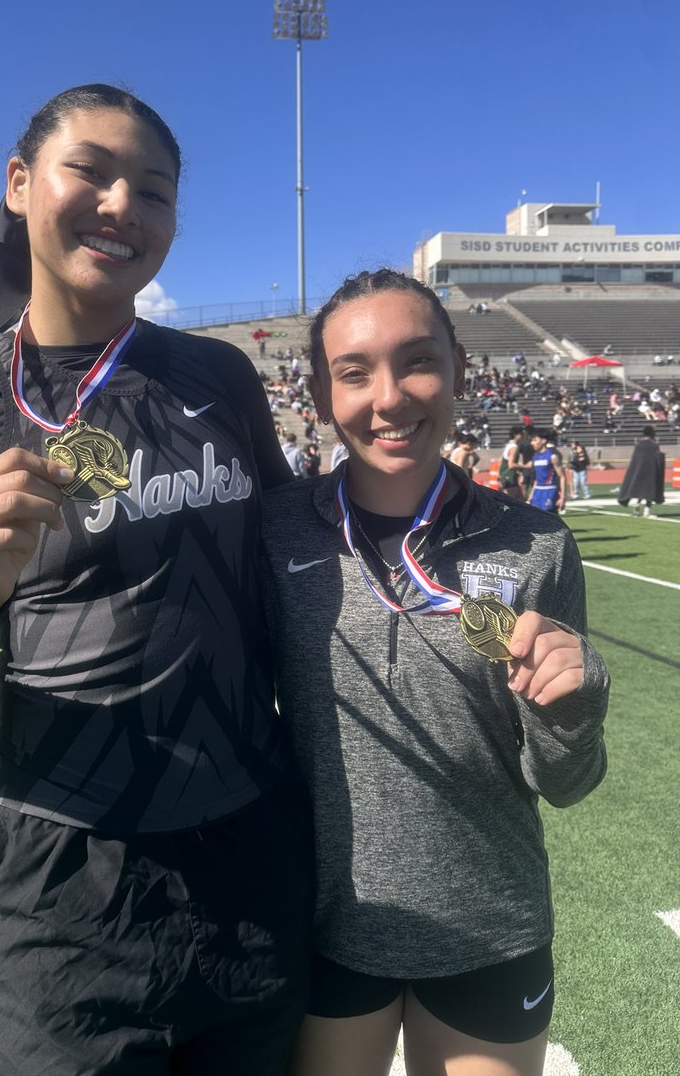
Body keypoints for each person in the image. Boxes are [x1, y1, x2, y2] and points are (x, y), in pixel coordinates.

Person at [0, 84, 313, 1076]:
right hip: (58, 898)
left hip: (251, 860)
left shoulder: (220, 379)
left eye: (154, 191)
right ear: (20, 183)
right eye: (92, 172)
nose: (122, 206)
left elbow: (296, 566)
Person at [259, 269, 609, 1076]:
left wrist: (573, 707)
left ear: (458, 368)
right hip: (324, 925)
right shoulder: (275, 532)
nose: (389, 398)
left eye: (417, 361)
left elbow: (566, 783)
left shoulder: (537, 544)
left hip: (489, 928)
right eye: (354, 372)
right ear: (322, 392)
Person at [617, 424, 665, 517]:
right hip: (651, 472)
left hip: (638, 472)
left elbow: (635, 460)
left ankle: (637, 505)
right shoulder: (654, 445)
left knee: (640, 490)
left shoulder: (638, 445)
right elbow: (657, 459)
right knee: (650, 492)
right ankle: (647, 511)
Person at [527, 430, 567, 514]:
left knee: (549, 517)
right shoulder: (535, 457)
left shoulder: (552, 456)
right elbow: (537, 479)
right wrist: (531, 495)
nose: (532, 443)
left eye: (535, 440)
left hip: (550, 491)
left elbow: (562, 476)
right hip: (537, 492)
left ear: (543, 441)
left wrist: (563, 497)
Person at [498, 426, 527, 501]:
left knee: (519, 497)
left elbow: (501, 460)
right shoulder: (513, 447)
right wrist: (525, 466)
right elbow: (511, 465)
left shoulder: (508, 445)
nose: (522, 436)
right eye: (521, 434)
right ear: (515, 435)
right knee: (513, 499)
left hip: (505, 474)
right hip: (509, 475)